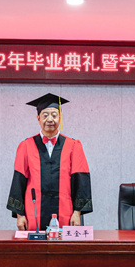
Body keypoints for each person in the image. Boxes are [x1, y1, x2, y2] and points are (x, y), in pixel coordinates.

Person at [7, 93, 92, 231]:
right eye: (45, 115)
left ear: (60, 118)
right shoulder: (26, 146)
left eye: (54, 115)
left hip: (66, 213)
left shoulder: (73, 146)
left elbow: (81, 181)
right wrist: (20, 215)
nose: (50, 119)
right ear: (38, 118)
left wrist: (77, 213)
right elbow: (18, 181)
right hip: (34, 213)